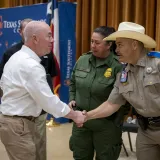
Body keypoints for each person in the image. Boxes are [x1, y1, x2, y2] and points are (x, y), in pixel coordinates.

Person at [0, 21, 86, 160]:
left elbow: (3, 85)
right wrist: (75, 116)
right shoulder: (30, 65)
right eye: (49, 36)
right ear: (35, 38)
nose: (52, 40)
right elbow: (48, 101)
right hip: (18, 126)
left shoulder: (16, 57)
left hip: (15, 123)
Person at [84, 22, 160, 160]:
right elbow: (111, 104)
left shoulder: (157, 64)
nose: (116, 50)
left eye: (120, 45)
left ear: (134, 44)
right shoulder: (123, 74)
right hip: (146, 132)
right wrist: (86, 116)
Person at [0, 18, 58, 160]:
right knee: (25, 150)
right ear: (23, 33)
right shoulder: (12, 54)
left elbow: (51, 76)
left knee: (38, 147)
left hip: (39, 110)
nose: (51, 40)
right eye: (48, 36)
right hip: (20, 114)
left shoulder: (46, 51)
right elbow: (4, 83)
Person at [69, 26, 130, 160]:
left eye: (97, 42)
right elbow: (73, 83)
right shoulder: (83, 60)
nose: (93, 45)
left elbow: (124, 99)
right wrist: (72, 99)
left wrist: (117, 121)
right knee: (80, 156)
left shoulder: (118, 66)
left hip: (107, 126)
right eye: (91, 41)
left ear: (109, 44)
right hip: (81, 123)